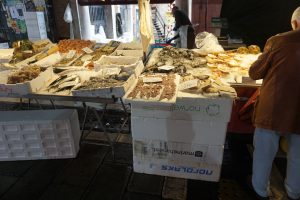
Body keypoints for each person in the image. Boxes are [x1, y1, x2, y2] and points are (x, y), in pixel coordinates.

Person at [249, 6, 300, 200]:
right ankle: (294, 192)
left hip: (273, 109)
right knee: (298, 157)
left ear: (294, 23)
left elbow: (255, 73)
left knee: (264, 152)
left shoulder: (278, 41)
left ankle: (261, 190)